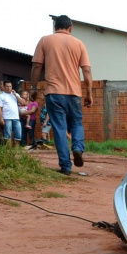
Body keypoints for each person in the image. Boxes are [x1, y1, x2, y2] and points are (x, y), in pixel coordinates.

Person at [31, 15, 93, 176]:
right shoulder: (79, 43)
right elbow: (86, 71)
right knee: (77, 123)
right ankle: (78, 148)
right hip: (74, 93)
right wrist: (89, 94)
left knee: (59, 128)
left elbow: (37, 66)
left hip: (54, 93)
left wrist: (34, 87)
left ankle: (66, 166)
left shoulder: (45, 40)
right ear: (70, 28)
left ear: (55, 27)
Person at [0, 80, 25, 146]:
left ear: (12, 86)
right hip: (7, 118)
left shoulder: (16, 95)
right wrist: (1, 118)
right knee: (8, 136)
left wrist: (15, 95)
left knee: (18, 135)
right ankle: (9, 151)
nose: (8, 88)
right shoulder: (1, 96)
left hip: (16, 117)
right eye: (7, 86)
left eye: (10, 86)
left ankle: (16, 151)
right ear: (4, 87)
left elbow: (22, 102)